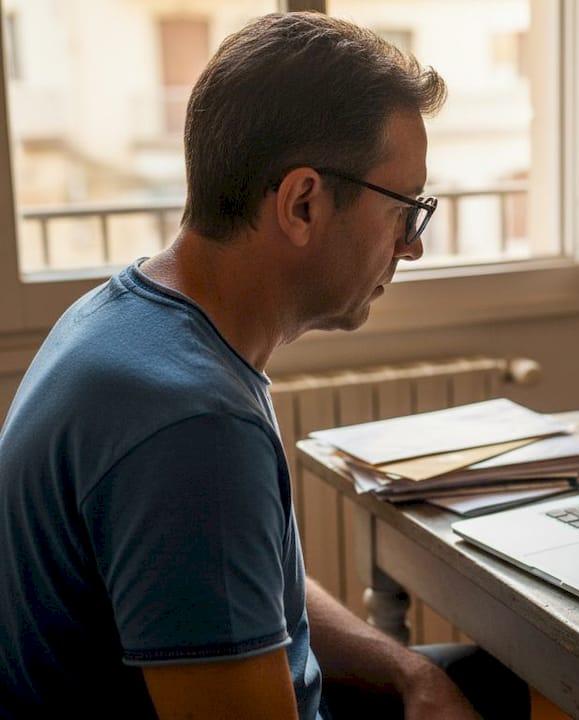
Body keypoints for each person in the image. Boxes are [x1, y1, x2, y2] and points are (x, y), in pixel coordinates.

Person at [0, 12, 528, 719]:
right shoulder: (192, 425)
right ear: (303, 202)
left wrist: (409, 675)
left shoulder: (132, 319)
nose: (413, 247)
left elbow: (234, 585)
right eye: (405, 211)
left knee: (501, 680)